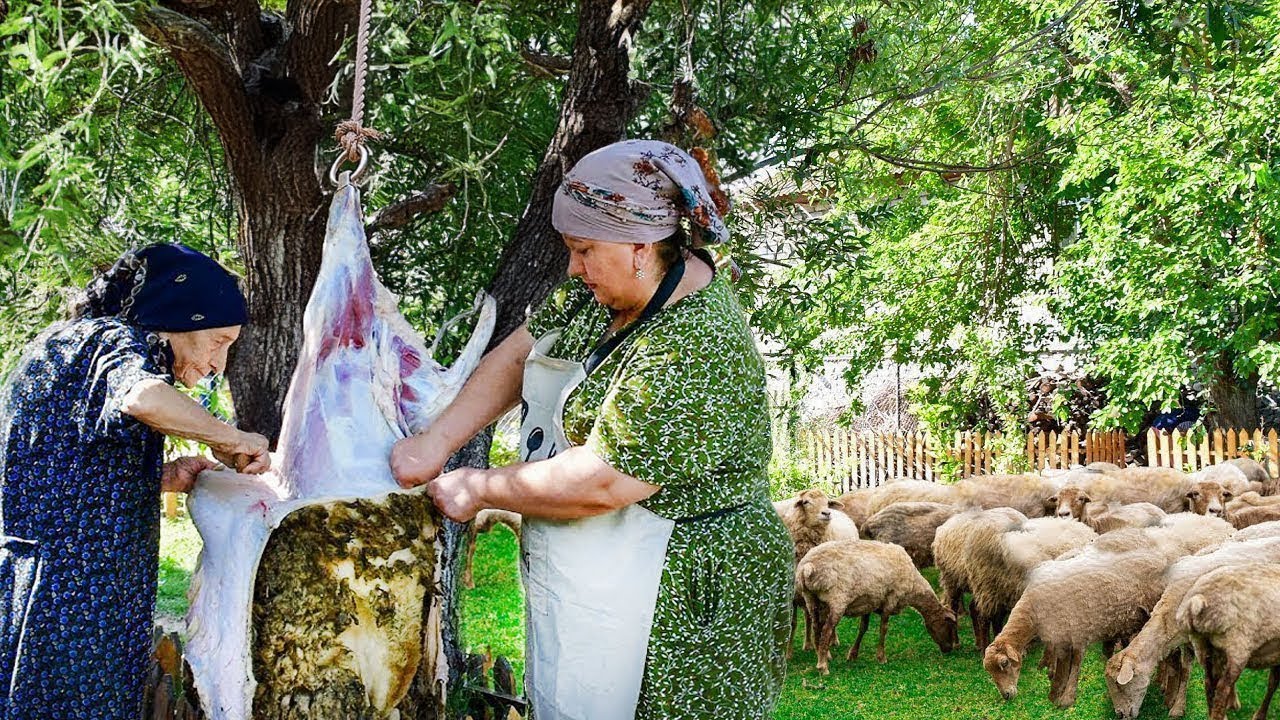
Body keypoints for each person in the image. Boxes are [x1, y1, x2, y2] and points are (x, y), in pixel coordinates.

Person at [391, 140, 793, 719]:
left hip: (684, 589)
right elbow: (522, 352)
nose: (573, 267)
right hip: (597, 568)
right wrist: (437, 441)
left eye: (584, 250)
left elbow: (605, 481)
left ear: (640, 244)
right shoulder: (603, 294)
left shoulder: (694, 345)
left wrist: (478, 487)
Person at [0, 243, 271, 719]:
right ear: (182, 317)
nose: (217, 365)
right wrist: (226, 437)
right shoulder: (108, 339)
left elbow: (65, 469)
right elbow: (140, 397)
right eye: (218, 341)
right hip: (70, 599)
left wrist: (163, 477)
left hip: (68, 590)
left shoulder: (80, 345)